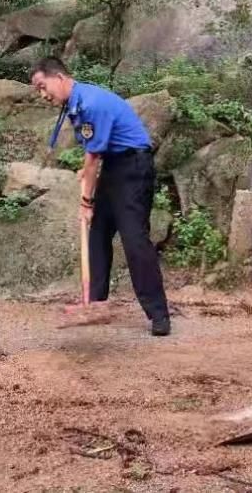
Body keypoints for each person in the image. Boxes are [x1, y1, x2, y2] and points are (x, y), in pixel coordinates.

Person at [30, 56, 171, 337]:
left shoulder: (89, 103)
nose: (43, 95)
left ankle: (159, 314)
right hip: (115, 165)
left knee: (134, 241)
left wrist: (86, 202)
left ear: (59, 77)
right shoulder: (76, 103)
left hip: (133, 168)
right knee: (98, 234)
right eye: (39, 91)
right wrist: (86, 170)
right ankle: (94, 303)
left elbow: (94, 154)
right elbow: (94, 150)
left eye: (43, 86)